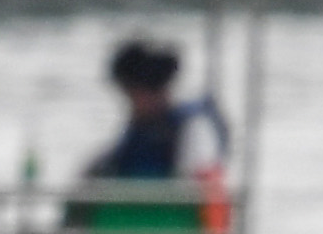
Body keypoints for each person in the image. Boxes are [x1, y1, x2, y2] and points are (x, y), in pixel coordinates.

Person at [83, 37, 229, 181]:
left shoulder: (194, 128)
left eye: (132, 95)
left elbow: (208, 183)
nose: (131, 107)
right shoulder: (138, 133)